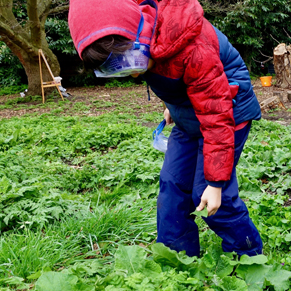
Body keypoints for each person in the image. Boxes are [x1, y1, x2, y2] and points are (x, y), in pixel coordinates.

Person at [68, 0, 263, 258]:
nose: (130, 73)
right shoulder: (143, 34)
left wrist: (215, 184)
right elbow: (168, 71)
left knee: (211, 197)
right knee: (172, 186)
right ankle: (177, 259)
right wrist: (172, 103)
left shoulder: (193, 45)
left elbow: (216, 111)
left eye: (127, 61)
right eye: (114, 68)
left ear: (140, 31)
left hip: (226, 111)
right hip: (189, 112)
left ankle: (249, 257)